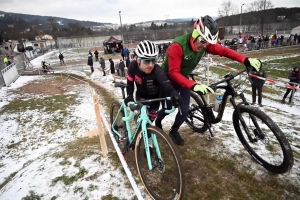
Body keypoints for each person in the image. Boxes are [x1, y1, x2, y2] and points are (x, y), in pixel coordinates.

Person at [155, 15, 262, 146]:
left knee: (184, 110)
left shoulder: (204, 44)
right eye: (203, 41)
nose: (204, 45)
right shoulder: (177, 46)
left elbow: (223, 51)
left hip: (183, 78)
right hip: (168, 80)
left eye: (208, 43)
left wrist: (245, 60)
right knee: (168, 108)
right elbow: (173, 73)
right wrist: (194, 85)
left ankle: (174, 130)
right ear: (195, 34)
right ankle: (158, 122)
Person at [125, 40, 181, 122]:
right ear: (138, 60)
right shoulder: (133, 66)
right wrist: (130, 95)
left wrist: (173, 92)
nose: (151, 65)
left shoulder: (157, 69)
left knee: (150, 122)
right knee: (141, 121)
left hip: (155, 99)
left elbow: (165, 82)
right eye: (146, 61)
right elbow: (130, 83)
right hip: (141, 97)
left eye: (153, 60)